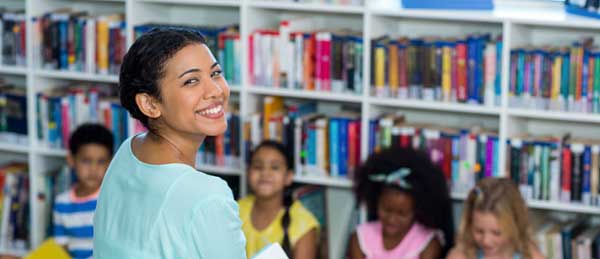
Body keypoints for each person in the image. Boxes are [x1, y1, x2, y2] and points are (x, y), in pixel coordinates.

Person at [93, 28, 245, 259]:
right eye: (191, 81)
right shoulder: (209, 196)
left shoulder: (128, 151)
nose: (216, 90)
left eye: (215, 73)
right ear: (150, 104)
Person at [348, 147, 454, 259]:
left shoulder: (428, 244)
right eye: (387, 210)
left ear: (417, 209)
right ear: (376, 202)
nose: (392, 219)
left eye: (402, 214)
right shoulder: (361, 238)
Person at [238, 140, 319, 259]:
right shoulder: (236, 209)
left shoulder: (304, 224)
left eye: (275, 167)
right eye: (257, 166)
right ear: (248, 172)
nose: (265, 173)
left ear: (288, 177)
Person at [54, 123, 113, 259]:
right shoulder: (62, 203)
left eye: (101, 161)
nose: (93, 169)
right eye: (86, 161)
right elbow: (61, 245)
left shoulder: (109, 200)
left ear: (110, 163)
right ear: (71, 160)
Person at [447, 178, 545, 259]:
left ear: (516, 225)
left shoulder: (532, 257)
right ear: (469, 224)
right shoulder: (459, 256)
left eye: (496, 233)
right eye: (479, 231)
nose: (486, 241)